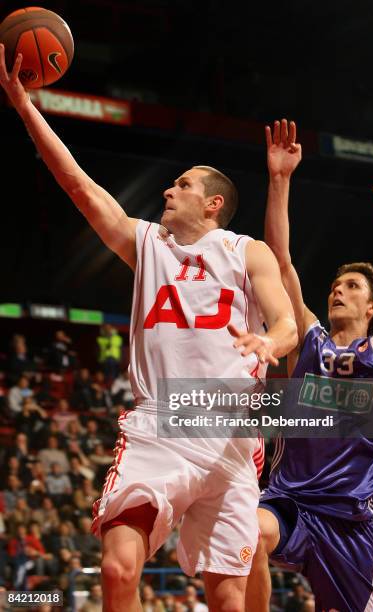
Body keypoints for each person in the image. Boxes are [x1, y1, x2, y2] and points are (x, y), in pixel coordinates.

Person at [0, 47, 298, 611]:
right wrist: (24, 106)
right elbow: (79, 186)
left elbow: (284, 321)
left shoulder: (246, 251)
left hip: (229, 438)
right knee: (116, 569)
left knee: (230, 602)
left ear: (212, 204)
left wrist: (270, 341)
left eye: (181, 185)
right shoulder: (147, 243)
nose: (167, 190)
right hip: (159, 424)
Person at [246, 120, 373, 611]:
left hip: (348, 522)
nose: (339, 289)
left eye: (353, 287)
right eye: (337, 285)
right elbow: (280, 261)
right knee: (245, 532)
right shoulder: (307, 340)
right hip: (289, 503)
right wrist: (279, 180)